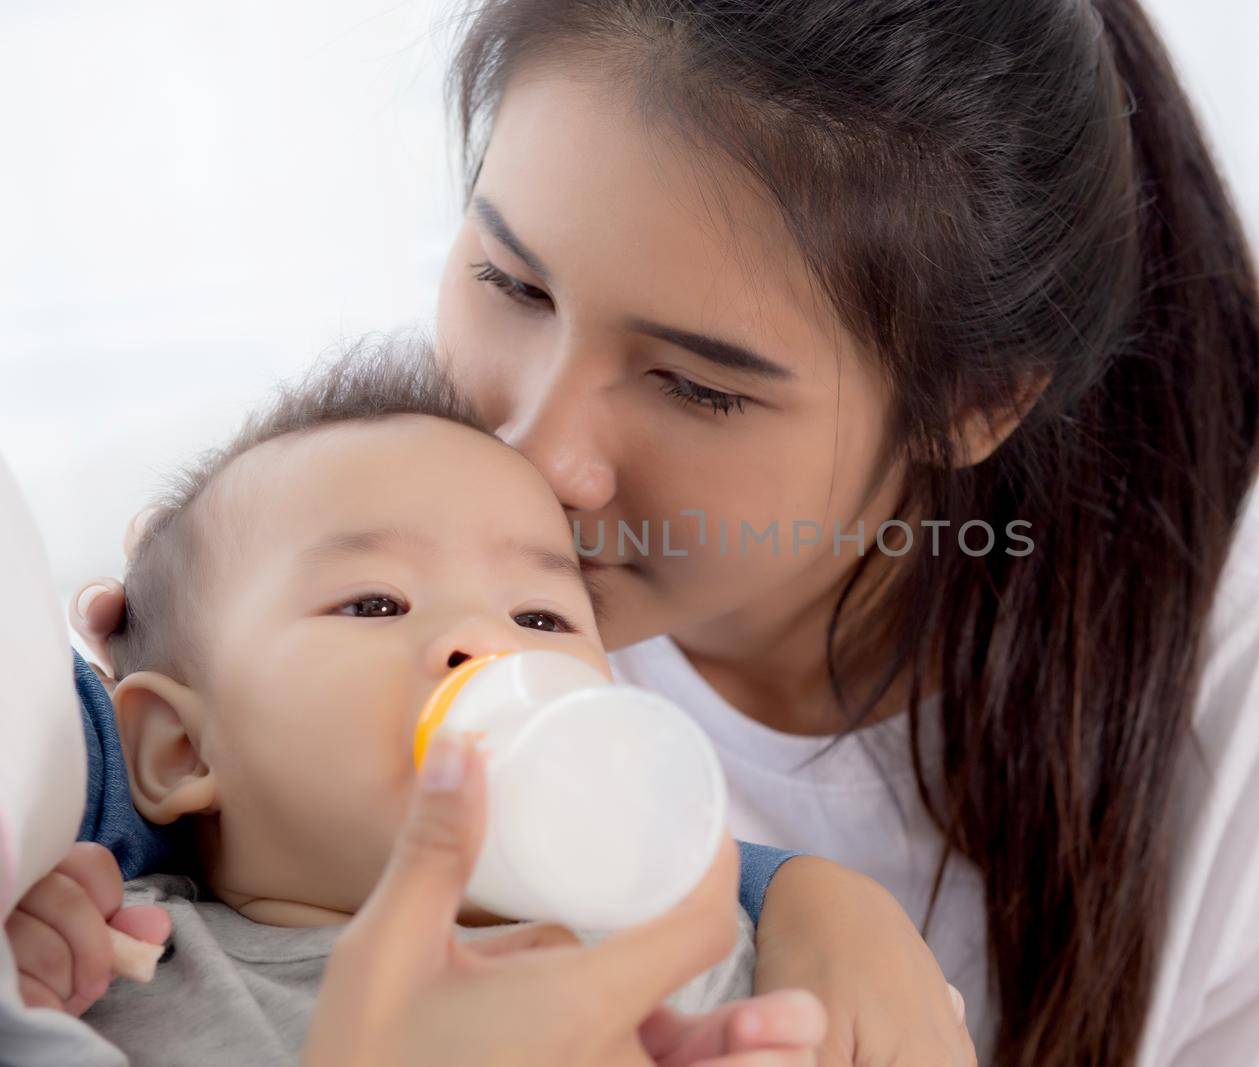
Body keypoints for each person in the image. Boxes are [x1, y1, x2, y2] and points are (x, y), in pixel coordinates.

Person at [61, 0, 1259, 1063]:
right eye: (507, 277)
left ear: (974, 404)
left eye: (695, 383)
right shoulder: (319, 557)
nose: (538, 454)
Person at [6, 347, 852, 1065]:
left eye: (540, 617)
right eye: (376, 602)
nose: (490, 644)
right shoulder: (121, 966)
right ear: (179, 749)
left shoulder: (689, 941)